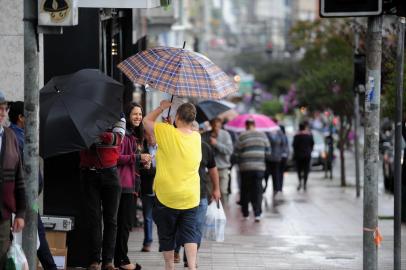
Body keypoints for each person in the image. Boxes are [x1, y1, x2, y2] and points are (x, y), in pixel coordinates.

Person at [143, 100, 201, 270]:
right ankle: (191, 267)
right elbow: (180, 138)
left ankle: (170, 266)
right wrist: (171, 128)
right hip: (190, 196)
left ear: (177, 117)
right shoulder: (197, 137)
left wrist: (161, 108)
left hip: (167, 195)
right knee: (190, 234)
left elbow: (146, 121)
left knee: (167, 234)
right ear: (192, 119)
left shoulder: (166, 131)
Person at [8, 101, 57, 270]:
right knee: (37, 235)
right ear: (21, 118)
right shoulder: (19, 138)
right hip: (24, 198)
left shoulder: (19, 136)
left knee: (37, 234)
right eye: (30, 115)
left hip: (28, 197)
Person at [80, 114, 126, 270]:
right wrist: (100, 137)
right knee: (93, 218)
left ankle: (108, 261)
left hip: (110, 172)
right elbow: (80, 137)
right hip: (88, 172)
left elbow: (118, 138)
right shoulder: (83, 113)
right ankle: (95, 259)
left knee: (111, 219)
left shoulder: (118, 114)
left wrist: (95, 134)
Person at [174, 121, 221, 268]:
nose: (192, 132)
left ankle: (190, 258)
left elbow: (213, 169)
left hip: (200, 195)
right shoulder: (177, 145)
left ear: (199, 132)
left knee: (197, 227)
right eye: (189, 128)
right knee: (180, 226)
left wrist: (216, 189)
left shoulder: (205, 147)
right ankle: (176, 249)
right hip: (179, 194)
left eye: (195, 129)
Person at [115, 103, 150, 270]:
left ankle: (119, 258)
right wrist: (137, 158)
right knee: (123, 224)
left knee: (125, 223)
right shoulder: (123, 135)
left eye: (140, 114)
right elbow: (116, 158)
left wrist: (143, 163)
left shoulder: (136, 136)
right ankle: (122, 259)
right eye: (135, 114)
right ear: (128, 116)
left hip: (132, 185)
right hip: (123, 185)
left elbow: (133, 161)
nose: (138, 117)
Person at [0, 91, 25, 268]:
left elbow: (19, 178)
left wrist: (21, 213)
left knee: (2, 259)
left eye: (4, 109)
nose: (2, 113)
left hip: (3, 215)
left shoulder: (10, 137)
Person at [234, 119, 270, 222]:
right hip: (259, 168)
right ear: (254, 125)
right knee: (258, 190)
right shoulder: (262, 135)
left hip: (245, 168)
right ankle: (257, 213)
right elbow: (268, 152)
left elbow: (236, 153)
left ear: (246, 126)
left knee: (245, 190)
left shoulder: (242, 136)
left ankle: (245, 213)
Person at [201, 118, 233, 202]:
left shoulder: (225, 135)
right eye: (214, 124)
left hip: (222, 168)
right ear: (211, 125)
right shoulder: (205, 135)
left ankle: (224, 212)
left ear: (221, 124)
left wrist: (216, 144)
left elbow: (229, 150)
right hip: (209, 170)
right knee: (209, 193)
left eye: (218, 124)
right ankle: (211, 214)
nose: (216, 126)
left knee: (223, 191)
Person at [139, 132, 157, 253]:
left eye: (153, 135)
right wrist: (144, 166)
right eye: (148, 135)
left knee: (162, 217)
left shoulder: (164, 148)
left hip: (161, 189)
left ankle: (165, 242)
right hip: (147, 187)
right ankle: (148, 242)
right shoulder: (142, 149)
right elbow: (137, 167)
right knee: (147, 217)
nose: (151, 138)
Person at [292, 122, 314, 191]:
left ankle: (300, 182)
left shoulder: (296, 136)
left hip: (298, 156)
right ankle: (304, 183)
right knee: (306, 170)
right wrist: (309, 151)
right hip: (307, 155)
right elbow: (312, 144)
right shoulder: (309, 135)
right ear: (305, 127)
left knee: (299, 170)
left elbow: (294, 145)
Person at [279, 125, 289, 192]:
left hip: (280, 156)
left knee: (279, 172)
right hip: (284, 156)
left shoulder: (280, 136)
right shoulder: (285, 136)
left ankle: (279, 186)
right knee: (281, 172)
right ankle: (280, 186)